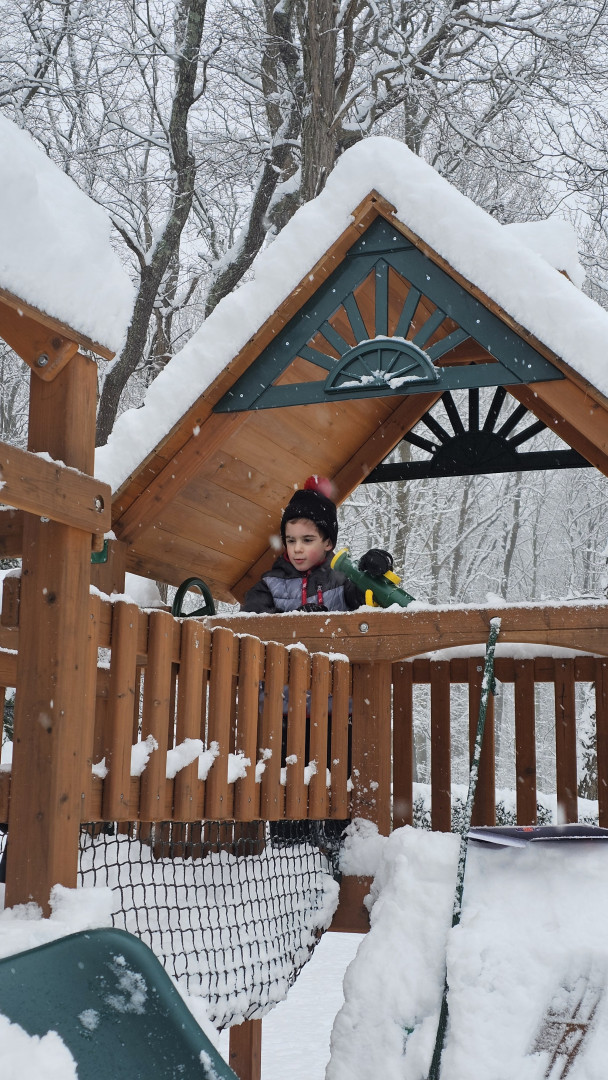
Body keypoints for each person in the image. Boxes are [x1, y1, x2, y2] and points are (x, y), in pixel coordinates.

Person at [241, 475, 393, 613]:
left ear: (328, 543)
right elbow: (252, 623)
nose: (297, 549)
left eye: (307, 540)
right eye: (291, 540)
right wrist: (295, 621)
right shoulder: (269, 586)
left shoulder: (342, 581)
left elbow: (373, 599)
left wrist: (376, 571)